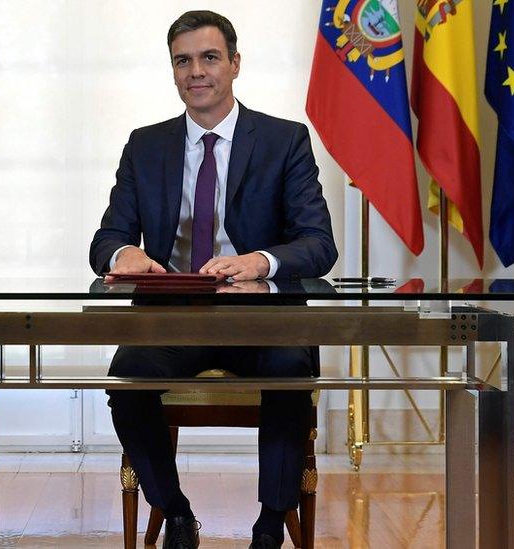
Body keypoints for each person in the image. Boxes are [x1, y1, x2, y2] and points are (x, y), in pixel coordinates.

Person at [89, 11, 337, 549]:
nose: (196, 72)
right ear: (173, 71)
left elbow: (319, 244)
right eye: (183, 61)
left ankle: (272, 521)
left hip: (260, 318)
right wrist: (125, 251)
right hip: (173, 317)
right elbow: (105, 240)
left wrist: (261, 261)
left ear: (234, 64)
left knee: (290, 369)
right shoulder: (145, 144)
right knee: (127, 379)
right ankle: (175, 512)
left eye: (209, 58)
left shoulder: (284, 140)